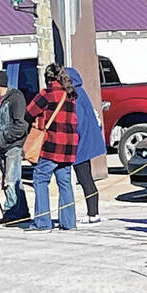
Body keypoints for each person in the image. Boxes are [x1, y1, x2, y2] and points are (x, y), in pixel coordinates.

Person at [25, 63, 78, 231]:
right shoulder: (70, 95)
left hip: (51, 144)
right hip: (69, 146)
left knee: (40, 179)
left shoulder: (47, 95)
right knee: (65, 182)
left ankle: (42, 222)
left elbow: (29, 113)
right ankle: (69, 222)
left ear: (47, 78)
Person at [0, 69, 28, 223]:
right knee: (14, 181)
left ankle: (12, 213)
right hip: (2, 146)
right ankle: (22, 211)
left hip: (13, 146)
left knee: (11, 180)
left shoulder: (15, 98)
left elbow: (21, 125)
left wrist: (4, 137)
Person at [67, 67, 106, 226]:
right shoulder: (81, 92)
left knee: (85, 178)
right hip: (88, 140)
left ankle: (93, 213)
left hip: (81, 142)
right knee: (86, 177)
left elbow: (78, 120)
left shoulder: (75, 95)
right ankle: (93, 212)